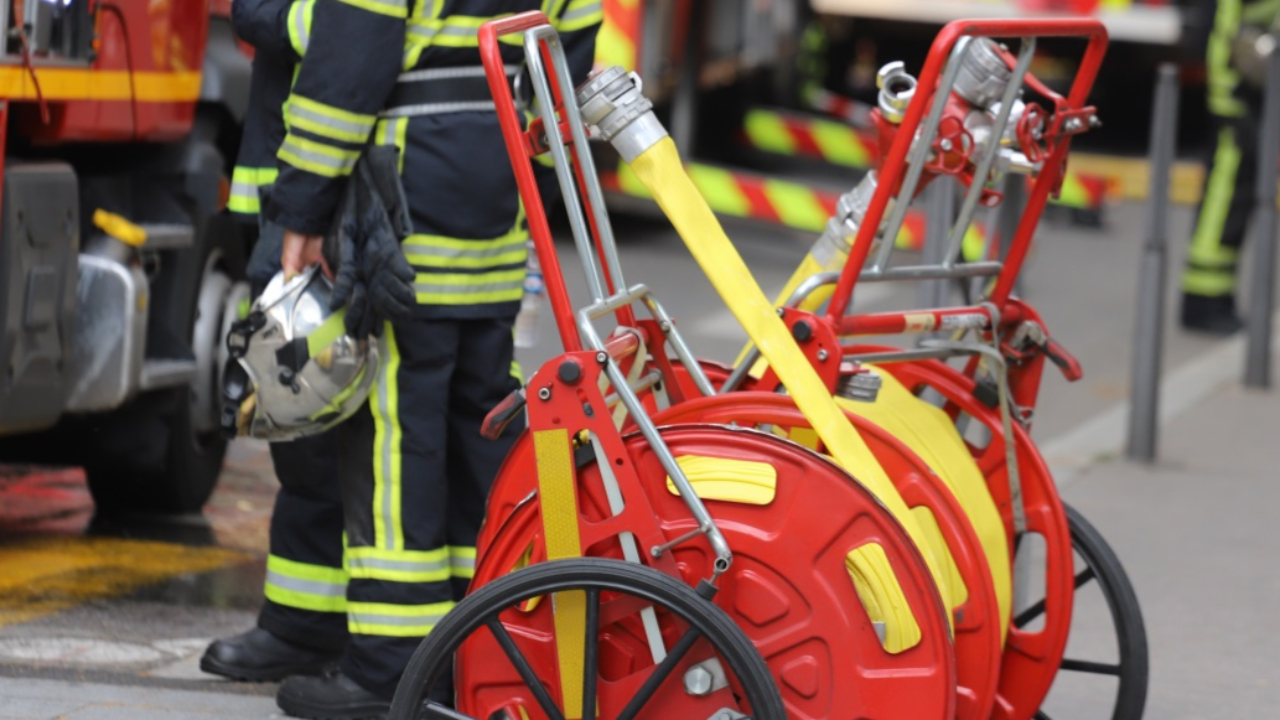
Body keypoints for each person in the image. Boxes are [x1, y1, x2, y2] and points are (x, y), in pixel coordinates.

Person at [204, 1, 602, 717]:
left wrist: (302, 205)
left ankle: (391, 669)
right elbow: (563, 71)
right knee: (472, 434)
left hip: (405, 203)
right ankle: (479, 650)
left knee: (393, 440)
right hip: (492, 208)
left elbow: (347, 72)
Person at [200, 0, 353, 686]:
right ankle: (303, 625)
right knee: (305, 416)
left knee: (385, 429)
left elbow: (329, 26)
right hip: (298, 192)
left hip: (366, 192)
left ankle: (383, 642)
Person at [1181, 0, 1280, 334]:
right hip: (1237, 103)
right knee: (1224, 201)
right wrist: (1229, 103)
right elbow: (1225, 31)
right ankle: (1202, 301)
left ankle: (1217, 298)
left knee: (1238, 201)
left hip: (1248, 98)